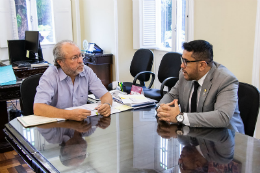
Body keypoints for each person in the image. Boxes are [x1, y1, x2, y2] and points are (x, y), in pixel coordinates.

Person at [156, 40, 244, 133]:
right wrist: (162, 109)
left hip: (223, 138)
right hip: (194, 135)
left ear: (202, 65)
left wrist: (180, 117)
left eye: (186, 61)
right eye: (182, 60)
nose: (182, 65)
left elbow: (222, 117)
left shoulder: (225, 80)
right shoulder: (185, 74)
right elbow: (172, 95)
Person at [34, 40, 112, 121]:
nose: (81, 61)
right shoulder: (50, 75)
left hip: (81, 125)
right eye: (74, 57)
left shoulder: (86, 71)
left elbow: (105, 95)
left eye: (80, 55)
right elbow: (38, 108)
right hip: (58, 126)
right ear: (60, 62)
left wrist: (107, 104)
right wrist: (69, 114)